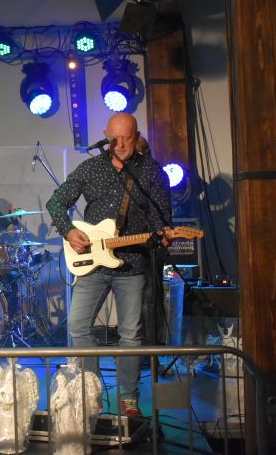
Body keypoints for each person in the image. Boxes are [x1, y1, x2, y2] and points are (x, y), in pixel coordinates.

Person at [46, 112, 173, 418]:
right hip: (92, 263)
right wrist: (69, 231)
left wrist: (165, 235)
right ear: (106, 136)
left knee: (130, 334)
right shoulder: (91, 168)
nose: (120, 144)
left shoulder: (151, 172)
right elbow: (56, 202)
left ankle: (129, 398)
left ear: (137, 136)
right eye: (114, 139)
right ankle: (90, 392)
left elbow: (162, 219)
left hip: (133, 264)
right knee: (78, 326)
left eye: (127, 138)